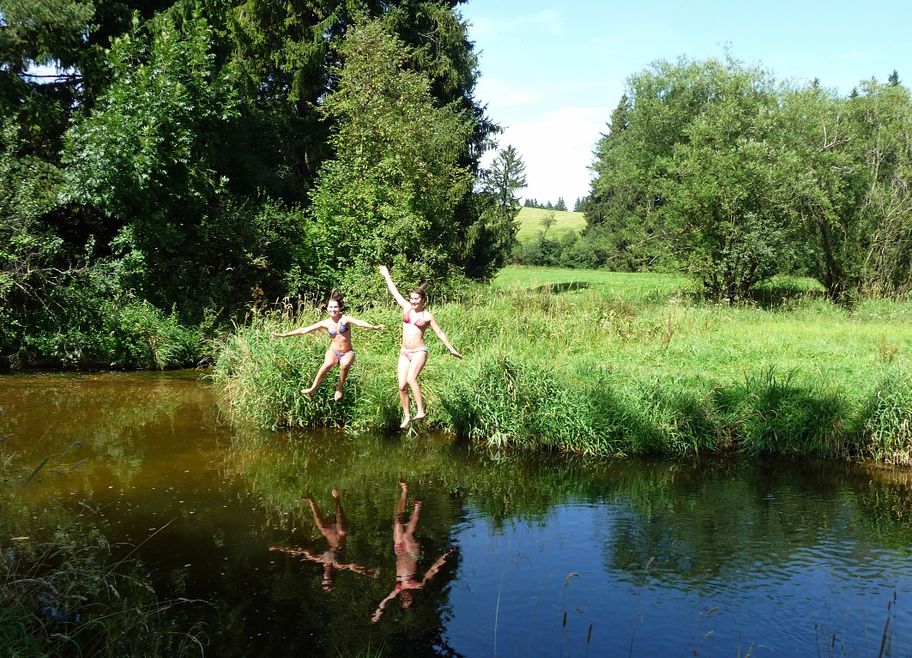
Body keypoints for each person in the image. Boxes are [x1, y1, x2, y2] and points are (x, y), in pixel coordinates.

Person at [379, 266, 462, 428]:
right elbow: (394, 292)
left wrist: (451, 348)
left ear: (423, 300)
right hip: (404, 352)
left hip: (419, 351)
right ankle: (407, 415)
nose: (413, 301)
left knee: (411, 379)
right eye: (412, 298)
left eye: (416, 299)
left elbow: (440, 333)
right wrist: (386, 275)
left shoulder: (427, 316)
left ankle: (420, 411)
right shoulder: (406, 308)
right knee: (402, 386)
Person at [273, 291, 383, 401]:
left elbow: (359, 322)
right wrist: (284, 335)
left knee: (344, 364)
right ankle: (313, 388)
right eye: (330, 307)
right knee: (328, 363)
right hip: (333, 351)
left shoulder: (345, 319)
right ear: (327, 308)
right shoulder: (325, 323)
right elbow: (304, 330)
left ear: (340, 308)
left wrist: (374, 327)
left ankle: (339, 388)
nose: (333, 309)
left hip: (348, 352)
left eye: (335, 307)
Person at [371, 481, 456, 622]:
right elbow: (433, 569)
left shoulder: (397, 590)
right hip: (412, 554)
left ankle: (404, 491)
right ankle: (417, 508)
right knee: (407, 534)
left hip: (399, 551)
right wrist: (446, 555)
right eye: (409, 600)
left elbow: (384, 602)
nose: (407, 598)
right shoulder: (418, 585)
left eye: (405, 601)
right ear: (413, 598)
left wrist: (378, 613)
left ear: (401, 600)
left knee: (398, 522)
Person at [269, 489, 378, 591]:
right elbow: (352, 566)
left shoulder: (321, 560)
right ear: (332, 578)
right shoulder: (338, 564)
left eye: (324, 580)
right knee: (342, 530)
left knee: (322, 529)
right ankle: (336, 498)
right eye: (328, 580)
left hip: (330, 530)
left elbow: (299, 551)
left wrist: (279, 548)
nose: (326, 578)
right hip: (340, 529)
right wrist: (368, 572)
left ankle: (310, 500)